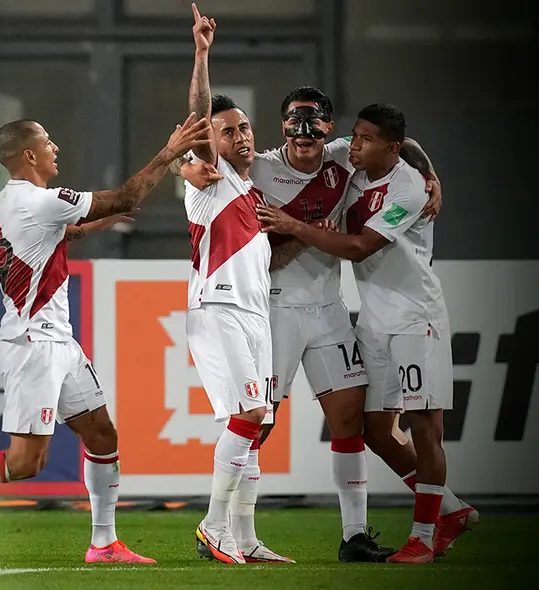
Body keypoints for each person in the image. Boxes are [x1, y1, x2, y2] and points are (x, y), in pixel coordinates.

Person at [179, 84, 477, 560]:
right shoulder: (258, 167)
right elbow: (263, 252)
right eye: (295, 127)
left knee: (349, 423)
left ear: (328, 130)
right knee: (259, 424)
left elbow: (405, 145)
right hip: (275, 311)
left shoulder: (345, 156)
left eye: (313, 126)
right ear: (283, 130)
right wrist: (186, 167)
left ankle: (354, 536)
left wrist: (430, 177)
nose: (304, 136)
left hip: (331, 311)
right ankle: (240, 535)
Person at [0, 112, 212, 564]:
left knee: (101, 434)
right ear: (29, 155)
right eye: (48, 141)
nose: (56, 147)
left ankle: (104, 544)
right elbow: (127, 196)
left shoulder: (11, 202)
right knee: (25, 464)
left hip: (60, 343)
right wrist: (170, 152)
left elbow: (59, 234)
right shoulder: (37, 200)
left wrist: (93, 225)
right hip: (34, 344)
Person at [256, 103, 455, 563]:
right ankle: (452, 510)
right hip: (359, 318)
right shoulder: (348, 161)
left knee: (422, 427)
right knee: (370, 430)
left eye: (365, 139)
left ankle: (413, 536)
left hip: (409, 318)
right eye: (355, 136)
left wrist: (293, 227)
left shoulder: (403, 185)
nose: (355, 145)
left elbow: (359, 248)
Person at [175, 6, 292, 566]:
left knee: (255, 425)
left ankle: (244, 536)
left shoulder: (249, 191)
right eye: (228, 130)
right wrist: (201, 52)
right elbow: (198, 114)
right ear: (210, 141)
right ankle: (213, 525)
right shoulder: (208, 179)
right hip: (218, 309)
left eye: (244, 127)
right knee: (247, 418)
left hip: (255, 316)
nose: (241, 136)